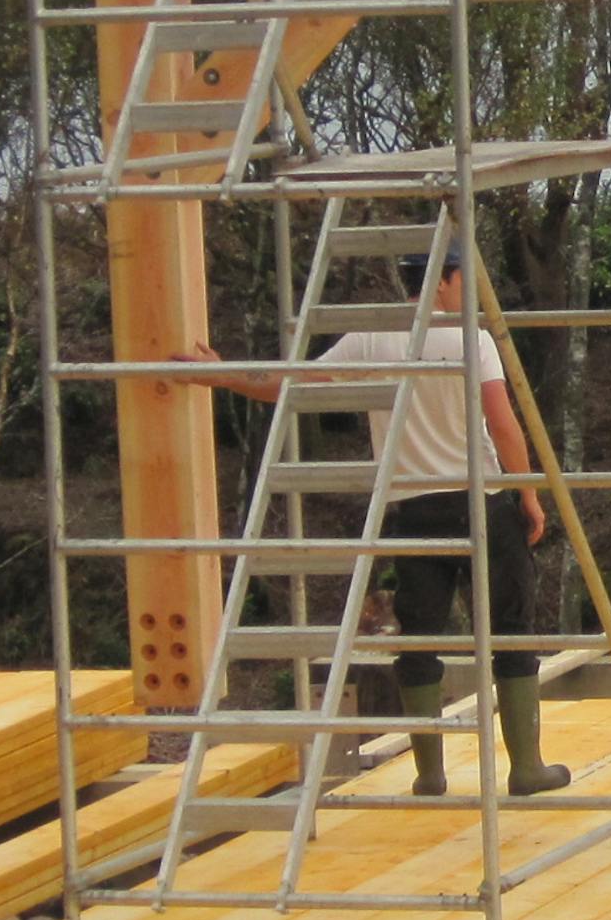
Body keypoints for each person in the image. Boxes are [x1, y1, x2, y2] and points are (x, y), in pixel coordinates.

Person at [182, 249, 571, 800]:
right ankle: (526, 768)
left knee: (418, 639)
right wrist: (528, 494)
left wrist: (222, 374)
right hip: (478, 502)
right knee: (510, 629)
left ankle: (429, 774)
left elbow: (293, 385)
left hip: (412, 510)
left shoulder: (371, 338)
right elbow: (503, 425)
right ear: (445, 281)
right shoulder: (471, 338)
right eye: (465, 282)